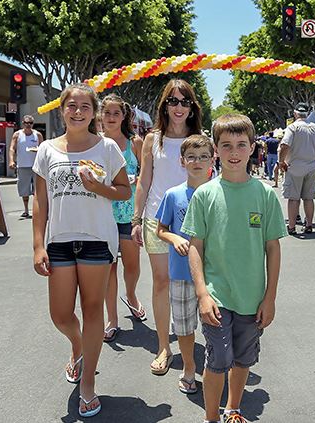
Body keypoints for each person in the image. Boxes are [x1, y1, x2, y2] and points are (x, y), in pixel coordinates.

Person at [31, 83, 130, 417]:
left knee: (92, 311)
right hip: (58, 242)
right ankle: (78, 346)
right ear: (62, 110)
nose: (77, 112)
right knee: (59, 314)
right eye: (71, 106)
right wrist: (37, 246)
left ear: (94, 113)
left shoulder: (106, 148)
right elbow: (40, 204)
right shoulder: (47, 150)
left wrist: (97, 186)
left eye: (84, 107)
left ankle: (88, 383)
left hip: (97, 240)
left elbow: (123, 192)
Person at [182, 114, 287, 423]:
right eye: (226, 145)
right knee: (218, 358)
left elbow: (273, 248)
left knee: (243, 358)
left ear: (253, 148)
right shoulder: (205, 194)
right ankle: (211, 416)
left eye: (241, 145)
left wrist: (270, 298)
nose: (234, 152)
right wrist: (202, 293)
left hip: (252, 299)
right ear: (215, 149)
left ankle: (233, 409)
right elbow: (195, 247)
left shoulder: (265, 195)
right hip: (217, 296)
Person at [131, 79, 202, 375]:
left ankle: (198, 341)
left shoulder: (200, 137)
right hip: (157, 220)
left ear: (192, 107)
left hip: (194, 218)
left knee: (193, 284)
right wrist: (136, 219)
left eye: (185, 102)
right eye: (173, 101)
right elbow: (144, 180)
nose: (179, 107)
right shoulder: (152, 139)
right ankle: (164, 346)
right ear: (164, 105)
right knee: (161, 282)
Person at [155, 134, 214, 395]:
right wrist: (174, 237)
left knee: (215, 326)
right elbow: (161, 229)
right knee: (183, 326)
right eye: (191, 157)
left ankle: (214, 370)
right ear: (182, 161)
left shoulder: (220, 193)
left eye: (203, 157)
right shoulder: (173, 195)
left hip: (214, 275)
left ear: (213, 160)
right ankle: (189, 367)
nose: (197, 162)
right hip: (180, 273)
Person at [100, 94, 145, 342]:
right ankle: (112, 319)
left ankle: (131, 295)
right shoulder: (95, 143)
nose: (112, 118)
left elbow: (144, 176)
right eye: (107, 113)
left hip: (129, 214)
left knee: (133, 265)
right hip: (102, 214)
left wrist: (135, 181)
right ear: (100, 116)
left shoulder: (135, 143)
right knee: (109, 268)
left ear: (124, 116)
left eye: (116, 113)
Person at [278, 103, 315, 234]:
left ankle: (291, 227)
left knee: (293, 198)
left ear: (295, 114)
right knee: (309, 198)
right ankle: (309, 224)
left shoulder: (293, 127)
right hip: (312, 166)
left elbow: (285, 145)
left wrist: (281, 162)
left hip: (295, 166)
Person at [8, 114, 44, 217]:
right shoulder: (17, 135)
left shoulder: (37, 135)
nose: (28, 125)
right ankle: (26, 210)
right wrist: (11, 160)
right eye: (26, 123)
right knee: (24, 189)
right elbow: (12, 148)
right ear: (23, 123)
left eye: (30, 123)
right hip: (22, 165)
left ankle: (38, 210)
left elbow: (43, 149)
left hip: (36, 166)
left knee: (37, 189)